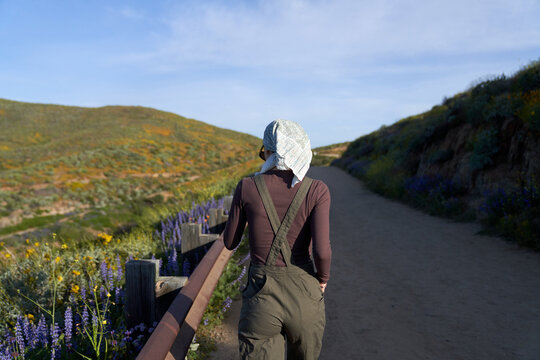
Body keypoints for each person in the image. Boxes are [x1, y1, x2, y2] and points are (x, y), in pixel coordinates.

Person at [223, 119, 331, 360]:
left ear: (269, 151)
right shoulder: (317, 190)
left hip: (261, 296)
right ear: (301, 149)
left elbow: (230, 242)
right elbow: (322, 252)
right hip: (305, 294)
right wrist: (322, 280)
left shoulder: (247, 186)